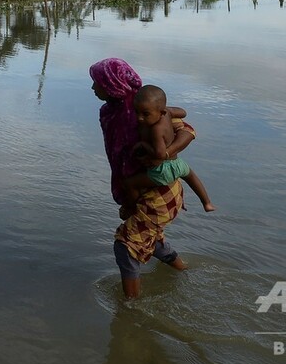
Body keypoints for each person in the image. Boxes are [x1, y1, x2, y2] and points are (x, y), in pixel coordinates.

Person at [89, 58, 197, 299]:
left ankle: (131, 307)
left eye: (97, 83)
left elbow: (187, 130)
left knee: (125, 246)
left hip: (160, 191)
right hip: (143, 192)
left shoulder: (144, 108)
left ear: (112, 83)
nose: (93, 88)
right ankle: (184, 271)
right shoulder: (113, 111)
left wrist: (165, 154)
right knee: (149, 237)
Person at [123, 84, 216, 213]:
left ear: (161, 113)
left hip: (163, 170)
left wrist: (143, 145)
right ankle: (207, 203)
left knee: (130, 183)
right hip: (178, 164)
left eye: (145, 114)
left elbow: (160, 154)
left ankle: (132, 209)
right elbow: (183, 112)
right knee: (192, 177)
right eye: (136, 112)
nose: (139, 118)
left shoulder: (156, 130)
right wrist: (166, 110)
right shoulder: (167, 113)